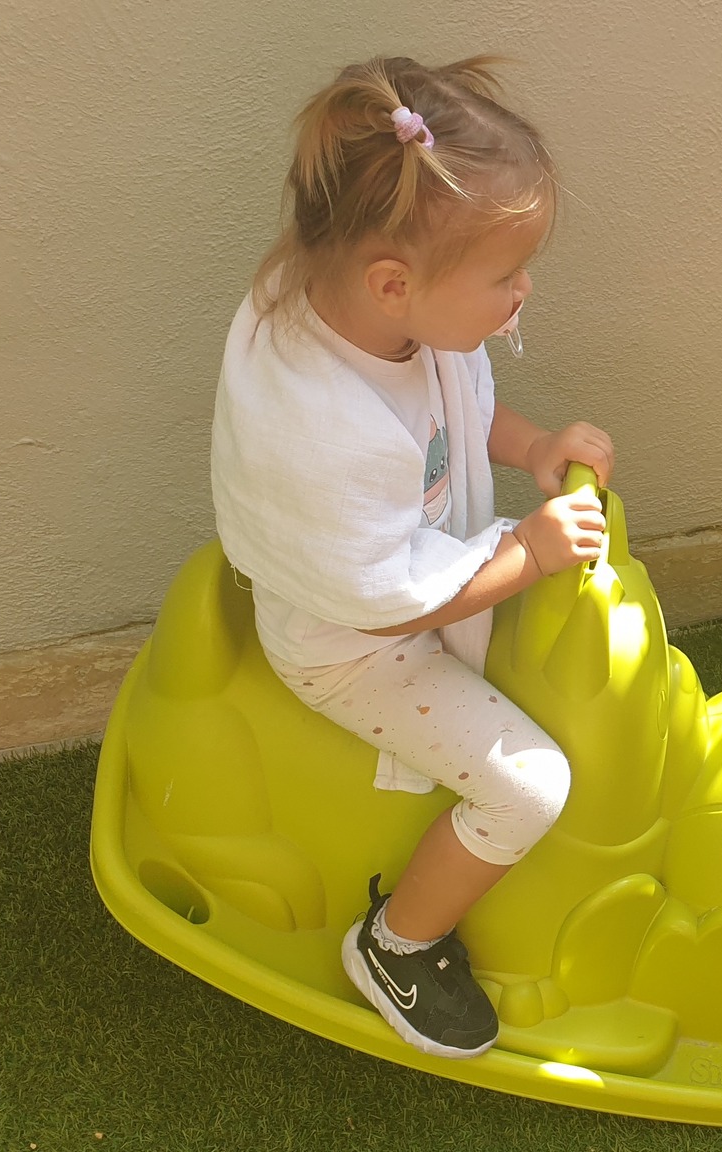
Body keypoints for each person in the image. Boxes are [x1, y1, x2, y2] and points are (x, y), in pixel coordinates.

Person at [211, 56, 614, 1061]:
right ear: (396, 283)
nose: (521, 295)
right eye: (506, 278)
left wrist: (527, 449)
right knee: (530, 786)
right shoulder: (322, 429)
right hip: (356, 643)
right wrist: (525, 549)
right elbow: (383, 606)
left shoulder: (376, 309)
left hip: (404, 564)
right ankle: (398, 942)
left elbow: (451, 409)